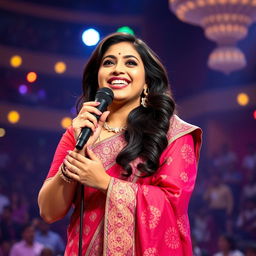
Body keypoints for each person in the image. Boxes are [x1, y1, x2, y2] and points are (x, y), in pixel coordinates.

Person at [38, 32, 202, 255]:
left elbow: (172, 207)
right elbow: (49, 211)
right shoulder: (79, 132)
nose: (117, 69)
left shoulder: (174, 134)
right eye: (108, 63)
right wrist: (78, 150)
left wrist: (105, 182)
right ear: (98, 77)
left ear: (147, 81)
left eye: (131, 62)